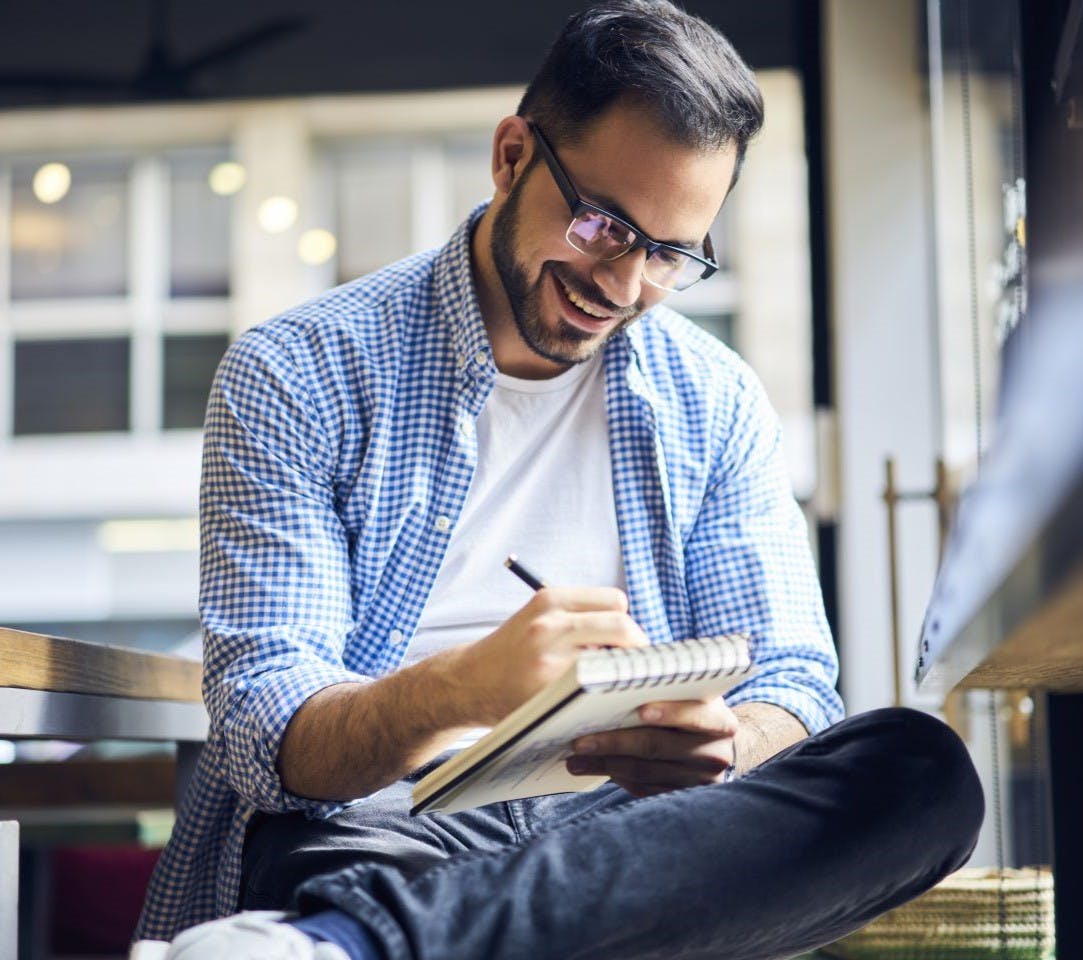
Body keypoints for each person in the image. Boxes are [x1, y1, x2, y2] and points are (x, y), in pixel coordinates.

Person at [141, 2, 983, 957]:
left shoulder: (715, 400)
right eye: (603, 225)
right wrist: (460, 689)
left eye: (670, 255)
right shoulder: (298, 371)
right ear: (510, 158)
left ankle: (351, 946)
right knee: (401, 870)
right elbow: (264, 731)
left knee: (920, 773)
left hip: (620, 839)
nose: (623, 288)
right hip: (386, 829)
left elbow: (793, 682)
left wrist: (728, 745)